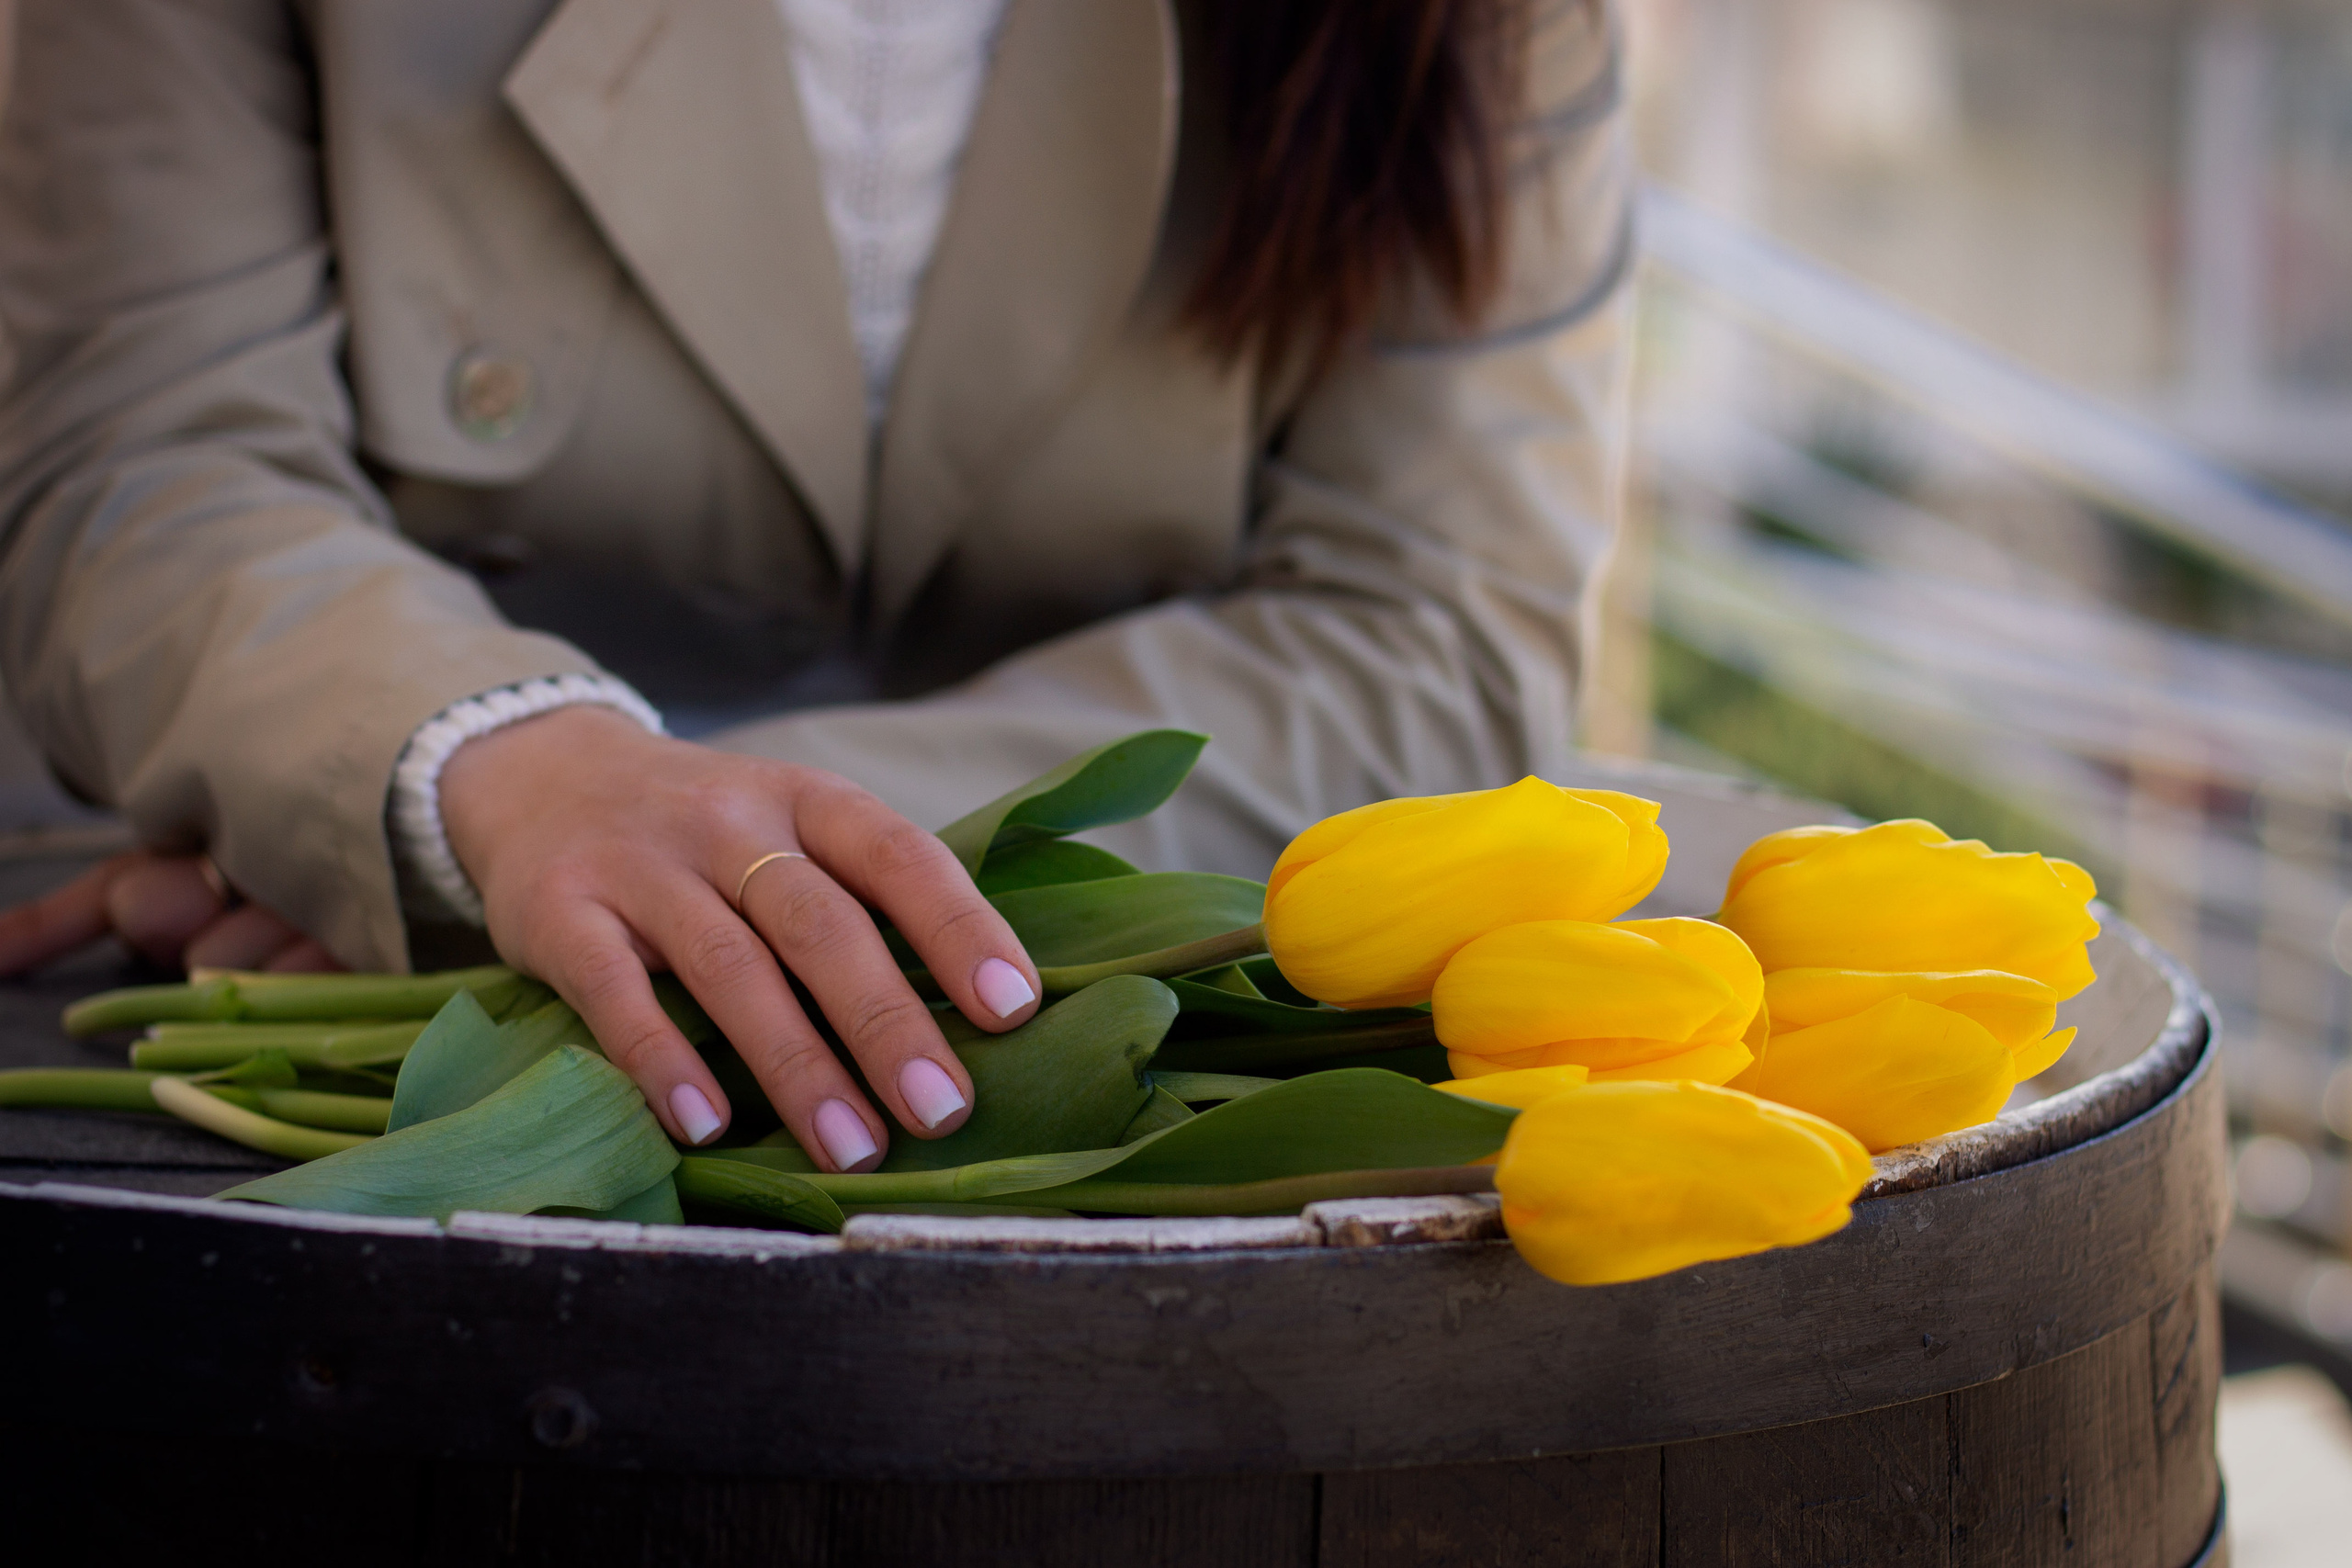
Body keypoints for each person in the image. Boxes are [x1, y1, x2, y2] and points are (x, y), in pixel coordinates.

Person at [0, 0, 1631, 1172]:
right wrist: (486, 764)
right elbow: (144, 461)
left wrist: (534, 835)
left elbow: (1434, 631)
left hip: (394, 946)